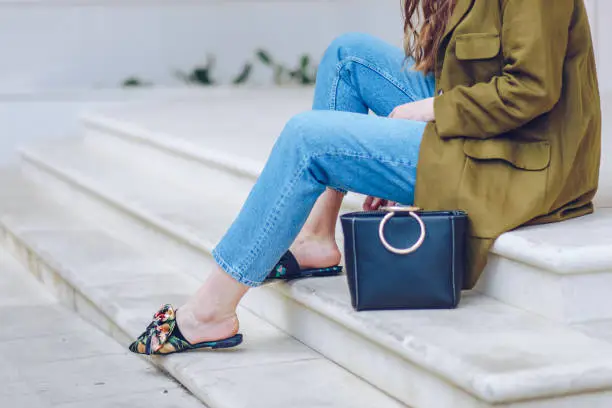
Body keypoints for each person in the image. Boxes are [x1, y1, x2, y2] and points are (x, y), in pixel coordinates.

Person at [130, 0, 601, 355]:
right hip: (479, 130)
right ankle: (316, 239)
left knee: (308, 138)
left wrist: (430, 111)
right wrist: (399, 144)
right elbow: (471, 67)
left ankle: (211, 313)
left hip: (519, 157)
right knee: (348, 56)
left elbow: (532, 88)